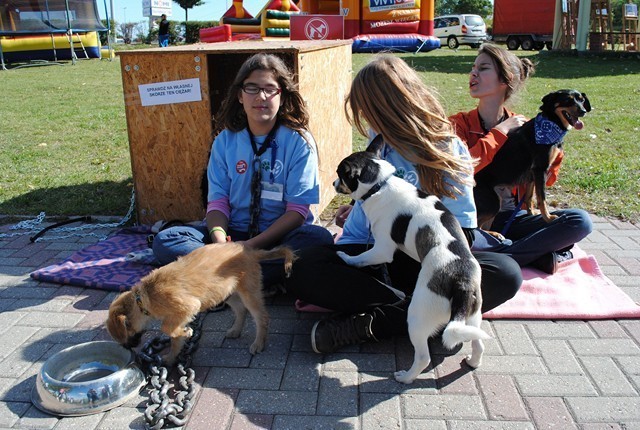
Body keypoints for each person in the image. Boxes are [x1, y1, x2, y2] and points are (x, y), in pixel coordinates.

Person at [285, 54, 522, 354]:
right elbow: (372, 204)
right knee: (299, 266)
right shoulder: (378, 141)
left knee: (506, 273)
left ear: (391, 108)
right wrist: (360, 208)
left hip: (424, 262)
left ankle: (371, 324)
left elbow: (464, 234)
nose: (366, 121)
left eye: (369, 111)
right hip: (371, 257)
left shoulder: (447, 148)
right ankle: (421, 313)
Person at [152, 53, 334, 288]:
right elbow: (217, 203)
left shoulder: (299, 142)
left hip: (277, 238)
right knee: (166, 240)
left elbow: (297, 212)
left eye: (270, 89)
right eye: (252, 88)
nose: (261, 96)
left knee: (318, 240)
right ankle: (247, 278)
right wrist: (219, 243)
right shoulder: (225, 141)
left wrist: (247, 248)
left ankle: (219, 278)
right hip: (232, 235)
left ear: (282, 95)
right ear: (240, 95)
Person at [449, 43, 593, 274]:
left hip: (514, 219)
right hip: (472, 218)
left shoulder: (530, 126)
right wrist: (499, 132)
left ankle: (504, 255)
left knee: (579, 221)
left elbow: (544, 180)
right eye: (473, 67)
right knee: (557, 241)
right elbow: (458, 170)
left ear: (506, 80)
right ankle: (532, 254)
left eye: (483, 68)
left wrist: (553, 156)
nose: (473, 73)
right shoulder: (459, 125)